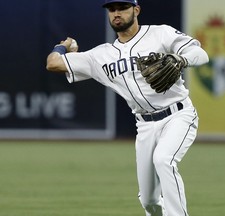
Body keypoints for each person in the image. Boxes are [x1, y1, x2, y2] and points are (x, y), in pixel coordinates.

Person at [46, 0, 209, 215]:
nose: (116, 13)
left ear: (136, 10)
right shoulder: (100, 56)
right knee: (149, 200)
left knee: (164, 160)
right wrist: (63, 46)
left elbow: (202, 55)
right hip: (145, 126)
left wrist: (181, 59)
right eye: (112, 10)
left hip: (178, 115)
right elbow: (53, 63)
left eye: (122, 8)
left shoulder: (161, 34)